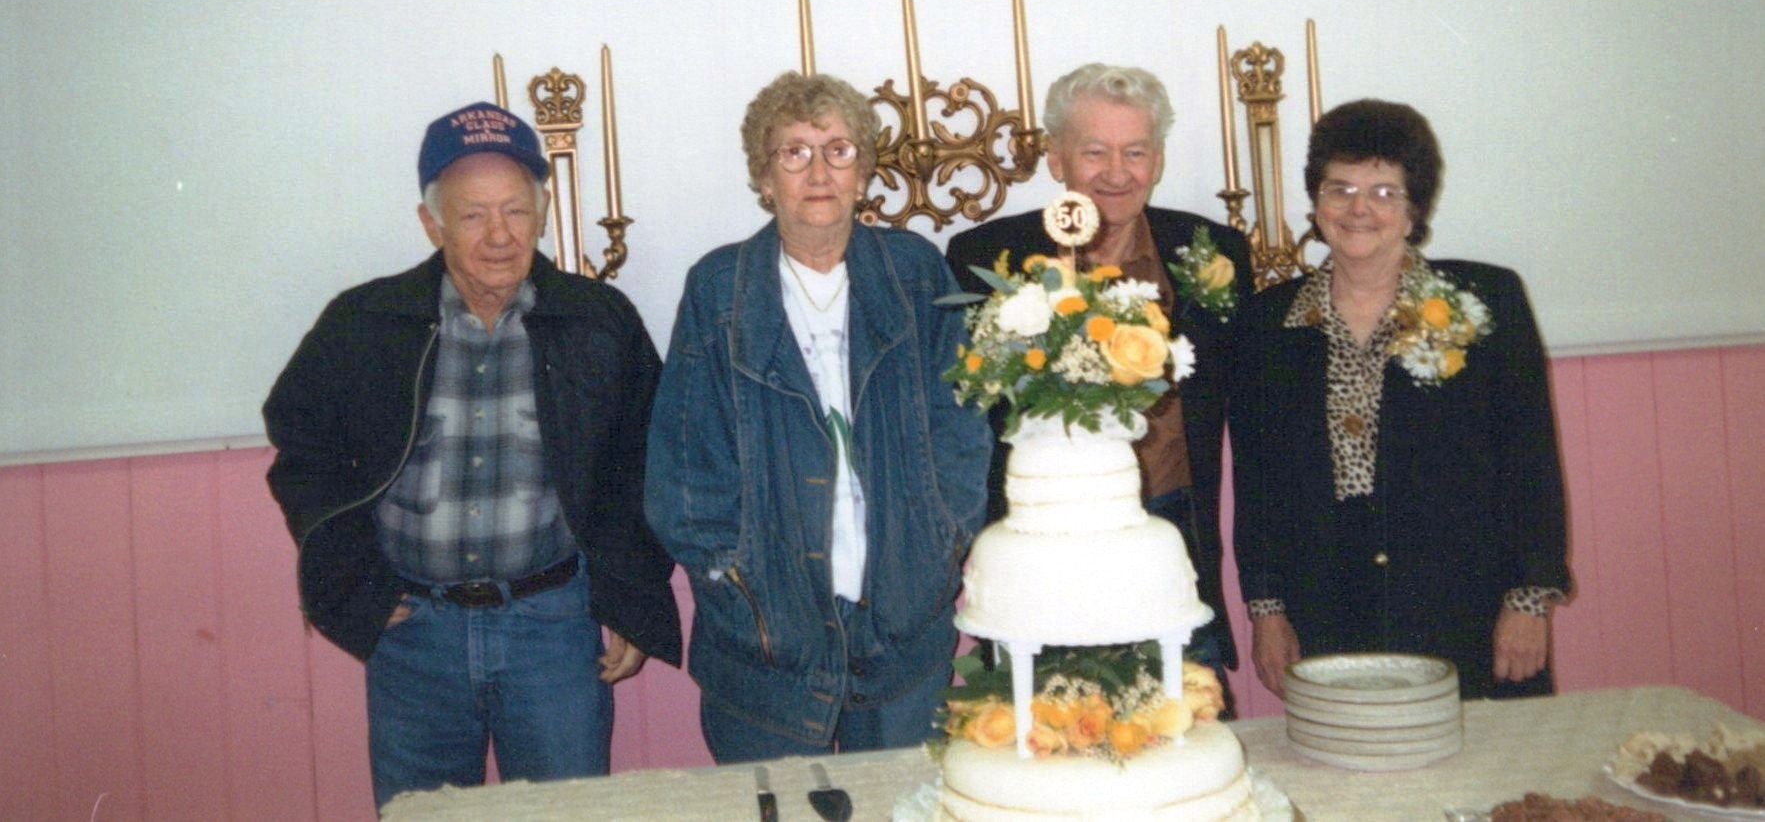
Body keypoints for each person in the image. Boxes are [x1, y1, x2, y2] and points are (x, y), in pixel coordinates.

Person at [264, 101, 681, 809]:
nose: (499, 235)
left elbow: (645, 463)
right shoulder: (365, 323)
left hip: (554, 629)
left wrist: (631, 599)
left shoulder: (597, 320)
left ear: (542, 212)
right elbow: (302, 450)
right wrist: (355, 584)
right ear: (431, 224)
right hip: (414, 634)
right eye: (472, 215)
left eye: (516, 210)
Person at [645, 71, 992, 763]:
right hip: (764, 639)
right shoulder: (719, 288)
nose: (819, 172)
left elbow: (962, 428)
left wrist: (941, 548)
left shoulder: (915, 272)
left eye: (838, 150)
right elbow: (685, 469)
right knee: (777, 806)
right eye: (794, 152)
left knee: (899, 804)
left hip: (901, 622)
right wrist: (735, 589)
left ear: (863, 173)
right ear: (763, 176)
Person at [1231, 99, 1569, 702]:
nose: (1358, 209)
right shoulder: (1267, 323)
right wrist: (1266, 610)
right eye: (1339, 189)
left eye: (1384, 192)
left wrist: (1527, 602)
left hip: (1464, 604)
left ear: (1415, 209)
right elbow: (1258, 485)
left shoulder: (1486, 302)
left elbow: (1531, 461)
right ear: (1316, 204)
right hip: (1328, 607)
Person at [944, 63, 1253, 694]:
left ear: (1158, 159)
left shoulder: (1213, 251)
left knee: (1184, 721)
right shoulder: (982, 257)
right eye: (1094, 152)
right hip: (1041, 545)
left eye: (1135, 151)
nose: (1117, 172)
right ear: (1056, 159)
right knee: (1051, 725)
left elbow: (1252, 418)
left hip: (1172, 540)